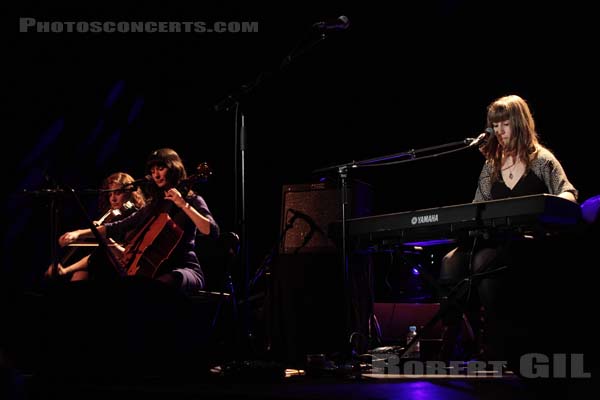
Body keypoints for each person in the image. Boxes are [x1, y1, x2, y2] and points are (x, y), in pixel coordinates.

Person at [437, 94, 578, 363]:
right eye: (495, 125)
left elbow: (568, 193)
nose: (499, 131)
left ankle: (496, 344)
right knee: (450, 263)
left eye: (505, 124)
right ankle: (451, 343)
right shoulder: (492, 165)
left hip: (528, 242)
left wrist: (546, 206)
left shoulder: (541, 159)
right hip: (492, 240)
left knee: (483, 262)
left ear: (520, 124)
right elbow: (478, 205)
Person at [58, 148, 219, 293]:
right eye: (153, 170)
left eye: (160, 168)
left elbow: (211, 231)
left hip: (184, 269)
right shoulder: (155, 205)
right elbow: (119, 226)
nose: (156, 175)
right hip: (154, 271)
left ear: (173, 168)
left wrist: (183, 204)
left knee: (155, 286)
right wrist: (79, 234)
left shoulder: (192, 200)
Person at [44, 171, 146, 281]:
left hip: (127, 275)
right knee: (80, 274)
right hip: (104, 270)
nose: (113, 199)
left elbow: (128, 257)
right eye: (110, 194)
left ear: (130, 192)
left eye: (117, 193)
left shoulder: (137, 220)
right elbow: (95, 257)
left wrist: (102, 238)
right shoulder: (115, 217)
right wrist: (65, 270)